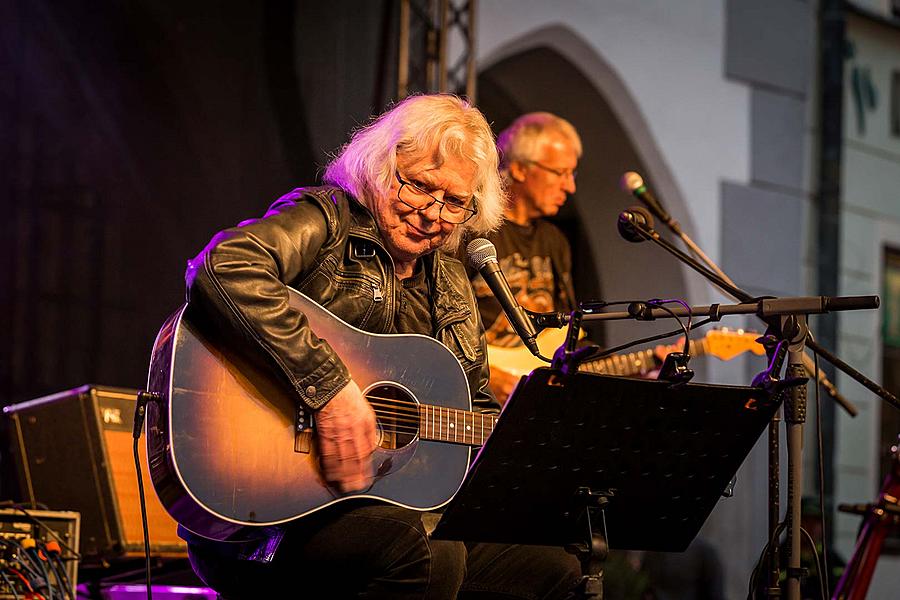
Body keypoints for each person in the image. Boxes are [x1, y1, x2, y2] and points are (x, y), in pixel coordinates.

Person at [181, 94, 581, 598]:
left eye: (455, 202)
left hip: (389, 501)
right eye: (419, 187)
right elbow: (225, 266)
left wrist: (528, 451)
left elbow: (474, 410)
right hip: (269, 512)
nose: (433, 213)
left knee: (556, 569)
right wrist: (330, 388)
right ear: (380, 168)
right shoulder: (328, 221)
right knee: (430, 554)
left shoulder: (453, 282)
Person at [465, 112, 582, 402]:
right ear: (518, 169)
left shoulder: (554, 241)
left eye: (572, 174)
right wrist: (484, 373)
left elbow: (565, 334)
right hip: (474, 397)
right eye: (560, 173)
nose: (570, 187)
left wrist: (645, 365)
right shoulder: (471, 229)